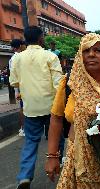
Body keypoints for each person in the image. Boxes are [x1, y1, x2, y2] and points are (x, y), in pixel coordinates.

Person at [45, 33, 100, 188]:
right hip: (77, 159)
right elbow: (56, 118)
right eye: (86, 50)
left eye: (97, 50)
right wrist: (52, 156)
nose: (91, 54)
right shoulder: (70, 84)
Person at [9, 26, 63, 189]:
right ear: (41, 39)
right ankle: (57, 163)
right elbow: (58, 83)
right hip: (52, 107)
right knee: (57, 137)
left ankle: (25, 176)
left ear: (25, 39)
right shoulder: (50, 56)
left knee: (31, 141)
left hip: (30, 108)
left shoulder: (17, 58)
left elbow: (13, 82)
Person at [9, 39, 26, 137]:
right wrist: (16, 91)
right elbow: (14, 76)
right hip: (22, 87)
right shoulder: (17, 57)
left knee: (23, 107)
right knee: (23, 108)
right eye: (24, 45)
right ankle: (23, 129)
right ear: (20, 46)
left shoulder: (13, 58)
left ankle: (23, 128)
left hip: (21, 86)